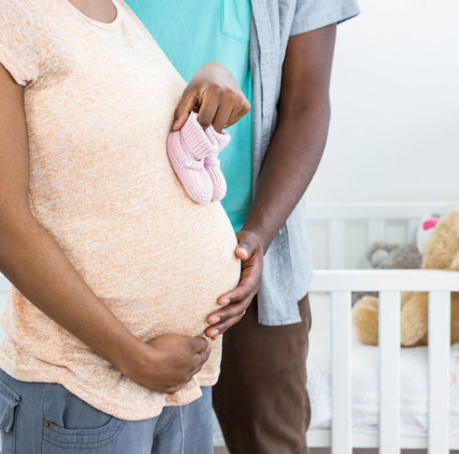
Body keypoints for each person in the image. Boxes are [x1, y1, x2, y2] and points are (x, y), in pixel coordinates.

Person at [0, 0, 253, 452]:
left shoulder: (117, 11)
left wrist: (213, 74)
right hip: (82, 386)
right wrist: (136, 358)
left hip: (179, 385)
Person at [127, 0, 360, 452]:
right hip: (126, 264)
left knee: (271, 440)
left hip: (252, 264)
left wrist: (258, 236)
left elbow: (307, 104)